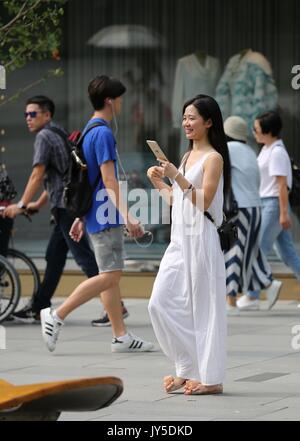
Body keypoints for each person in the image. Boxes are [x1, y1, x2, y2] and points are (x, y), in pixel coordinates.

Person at [39, 75, 154, 353]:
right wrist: (128, 215)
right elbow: (109, 180)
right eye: (120, 99)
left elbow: (91, 182)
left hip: (98, 213)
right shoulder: (102, 132)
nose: (122, 104)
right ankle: (56, 315)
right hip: (105, 215)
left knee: (109, 275)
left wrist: (81, 217)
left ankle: (120, 336)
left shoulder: (90, 129)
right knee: (110, 276)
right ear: (109, 101)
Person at [4, 95, 129, 325]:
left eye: (33, 114)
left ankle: (115, 307)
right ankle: (40, 304)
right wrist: (39, 204)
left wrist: (21, 205)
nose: (28, 119)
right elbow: (61, 177)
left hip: (66, 207)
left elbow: (38, 174)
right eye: (25, 115)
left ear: (47, 114)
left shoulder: (44, 136)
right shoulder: (59, 133)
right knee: (54, 257)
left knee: (85, 259)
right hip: (65, 204)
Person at [148, 94, 229, 395]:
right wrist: (159, 182)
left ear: (209, 122)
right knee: (160, 303)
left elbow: (203, 200)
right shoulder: (184, 158)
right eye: (184, 117)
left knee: (204, 310)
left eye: (192, 117)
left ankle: (210, 378)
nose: (186, 122)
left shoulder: (214, 158)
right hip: (179, 241)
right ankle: (187, 366)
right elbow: (177, 202)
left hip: (202, 241)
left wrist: (175, 176)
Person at [223, 116, 282, 314]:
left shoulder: (228, 151)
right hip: (255, 207)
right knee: (250, 251)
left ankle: (230, 301)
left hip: (239, 208)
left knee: (233, 251)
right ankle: (268, 283)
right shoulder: (249, 150)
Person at [242, 111, 300, 306]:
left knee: (257, 249)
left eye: (257, 129)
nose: (254, 132)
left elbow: (281, 185)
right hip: (267, 204)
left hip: (273, 205)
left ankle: (252, 295)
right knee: (288, 254)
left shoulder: (276, 152)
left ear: (268, 131)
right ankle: (253, 294)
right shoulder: (267, 149)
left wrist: (283, 213)